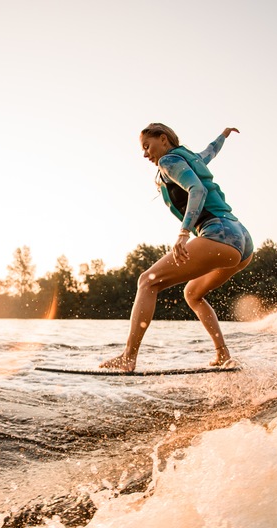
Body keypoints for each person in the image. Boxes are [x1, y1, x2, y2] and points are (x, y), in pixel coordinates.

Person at [100, 123, 254, 372]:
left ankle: (128, 356)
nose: (145, 154)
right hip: (242, 239)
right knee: (192, 294)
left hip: (219, 233)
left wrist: (183, 233)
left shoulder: (168, 161)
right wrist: (222, 136)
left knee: (147, 281)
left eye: (147, 146)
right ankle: (222, 354)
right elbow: (209, 152)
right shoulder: (189, 158)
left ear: (163, 139)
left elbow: (197, 189)